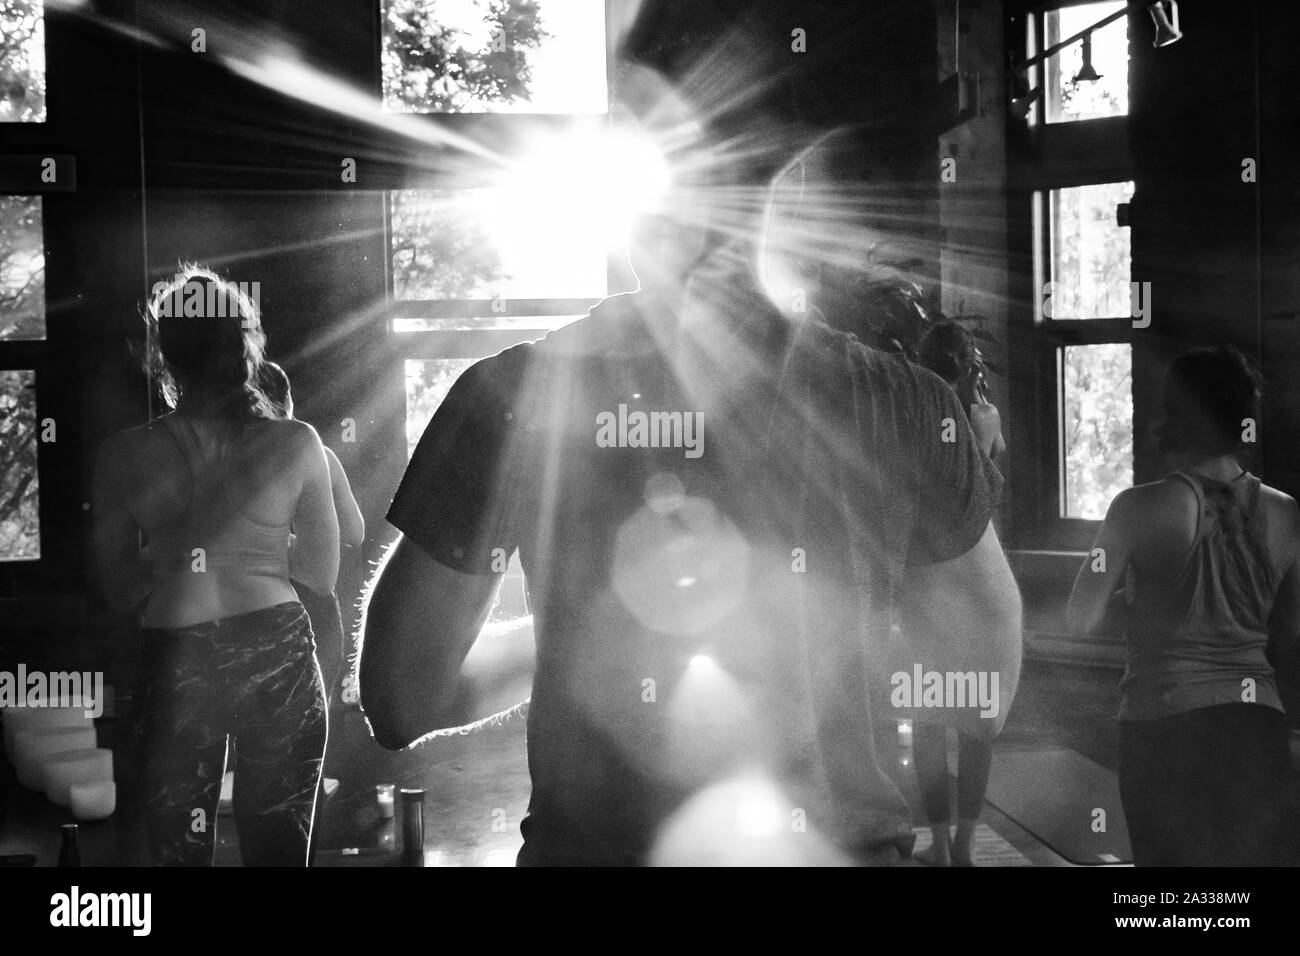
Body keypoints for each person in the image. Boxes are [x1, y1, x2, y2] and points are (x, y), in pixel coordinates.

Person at [359, 88, 1021, 865]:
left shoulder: (507, 397)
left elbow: (403, 697)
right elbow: (983, 686)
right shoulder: (907, 403)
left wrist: (591, 634)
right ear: (790, 191)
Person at [92, 266, 339, 866]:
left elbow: (119, 590)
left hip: (178, 662)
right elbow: (319, 578)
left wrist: (178, 552)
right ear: (244, 343)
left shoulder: (123, 454)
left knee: (179, 857)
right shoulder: (297, 442)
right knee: (278, 854)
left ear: (163, 351)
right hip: (276, 654)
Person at [1066, 346, 1300, 866]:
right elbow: (1289, 629)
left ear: (1174, 412)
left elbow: (1078, 618)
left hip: (1165, 727)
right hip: (1255, 728)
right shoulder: (1286, 514)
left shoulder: (1135, 509)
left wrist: (1143, 602)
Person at [910, 320, 1007, 866]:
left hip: (928, 576)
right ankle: (967, 845)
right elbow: (996, 485)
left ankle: (940, 845)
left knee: (928, 716)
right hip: (982, 576)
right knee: (976, 721)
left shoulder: (916, 409)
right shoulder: (986, 416)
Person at [259, 360, 365, 697]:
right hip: (315, 606)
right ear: (288, 400)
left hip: (258, 602)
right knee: (315, 724)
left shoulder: (236, 460)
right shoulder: (322, 455)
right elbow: (355, 532)